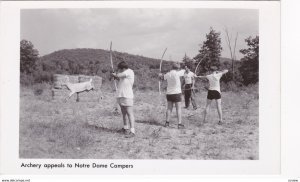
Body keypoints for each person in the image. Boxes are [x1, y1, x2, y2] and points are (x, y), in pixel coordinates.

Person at [111, 61, 135, 138]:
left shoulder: (129, 71)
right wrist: (115, 76)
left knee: (129, 113)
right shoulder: (123, 74)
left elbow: (120, 75)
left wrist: (115, 74)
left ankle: (132, 131)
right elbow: (121, 79)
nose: (119, 70)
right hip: (121, 95)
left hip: (127, 96)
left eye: (119, 69)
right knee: (124, 113)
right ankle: (125, 128)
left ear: (123, 68)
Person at [159, 62, 185, 129]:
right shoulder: (178, 73)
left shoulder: (168, 74)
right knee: (178, 109)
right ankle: (179, 124)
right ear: (178, 68)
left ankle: (167, 123)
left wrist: (160, 75)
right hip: (177, 93)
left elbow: (161, 78)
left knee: (169, 108)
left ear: (172, 67)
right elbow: (185, 71)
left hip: (169, 93)